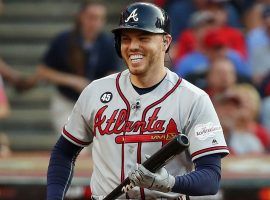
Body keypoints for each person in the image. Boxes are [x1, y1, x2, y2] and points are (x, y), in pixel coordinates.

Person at [47, 2, 229, 200]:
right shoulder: (95, 92)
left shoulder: (193, 99)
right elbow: (63, 152)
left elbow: (211, 178)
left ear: (165, 42)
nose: (133, 46)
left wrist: (170, 183)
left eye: (144, 38)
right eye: (126, 39)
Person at [27, 0, 120, 133]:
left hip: (97, 104)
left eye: (100, 18)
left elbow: (113, 73)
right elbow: (43, 71)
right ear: (81, 16)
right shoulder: (64, 40)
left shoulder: (108, 43)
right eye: (91, 17)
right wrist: (72, 81)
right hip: (66, 102)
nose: (96, 23)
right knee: (72, 145)